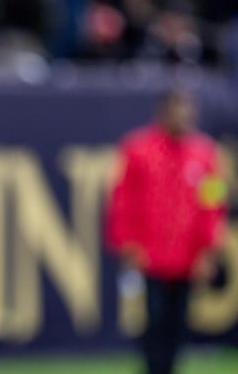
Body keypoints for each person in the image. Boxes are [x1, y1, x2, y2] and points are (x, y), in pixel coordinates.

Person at [105, 87, 227, 374]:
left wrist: (209, 251)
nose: (183, 116)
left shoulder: (206, 154)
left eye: (187, 109)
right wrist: (127, 245)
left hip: (188, 257)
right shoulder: (137, 150)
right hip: (150, 256)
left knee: (178, 322)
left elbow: (213, 205)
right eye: (177, 109)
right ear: (162, 113)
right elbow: (123, 200)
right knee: (153, 319)